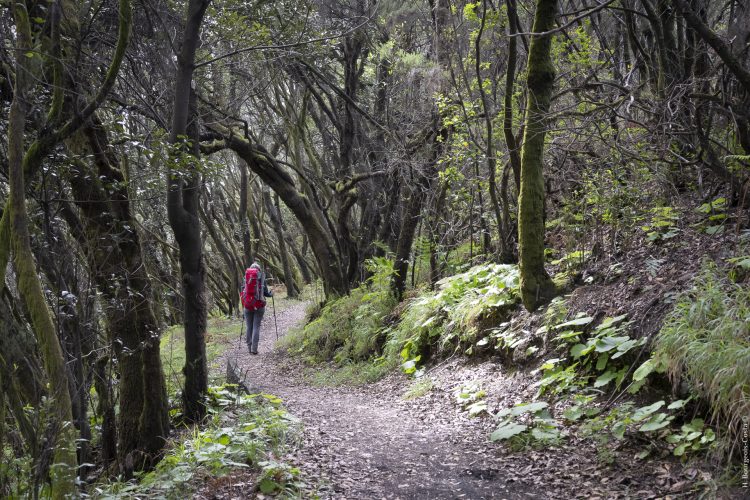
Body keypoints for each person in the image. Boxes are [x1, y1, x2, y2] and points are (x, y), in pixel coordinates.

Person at [241, 261, 273, 355]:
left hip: (247, 306)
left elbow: (242, 293)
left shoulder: (245, 279)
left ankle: (249, 348)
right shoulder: (261, 279)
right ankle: (254, 349)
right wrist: (271, 294)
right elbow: (266, 293)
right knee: (256, 327)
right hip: (259, 306)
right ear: (258, 270)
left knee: (249, 327)